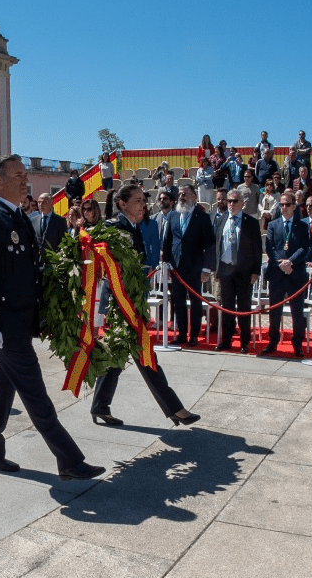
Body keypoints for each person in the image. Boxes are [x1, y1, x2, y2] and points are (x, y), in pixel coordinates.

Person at [0, 155, 103, 480]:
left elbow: (30, 273)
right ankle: (69, 460)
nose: (25, 179)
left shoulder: (21, 219)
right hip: (3, 326)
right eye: (17, 174)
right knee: (36, 394)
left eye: (26, 174)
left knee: (1, 389)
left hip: (19, 323)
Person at [90, 183, 200, 426]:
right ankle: (175, 408)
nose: (143, 205)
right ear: (122, 204)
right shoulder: (112, 228)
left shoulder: (134, 227)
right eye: (138, 200)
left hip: (132, 301)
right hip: (121, 305)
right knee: (145, 356)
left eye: (143, 200)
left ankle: (100, 405)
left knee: (117, 356)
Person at [160, 181, 215, 345]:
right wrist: (167, 263)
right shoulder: (173, 215)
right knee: (178, 301)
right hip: (176, 267)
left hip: (195, 267)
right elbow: (167, 241)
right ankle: (182, 334)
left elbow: (210, 245)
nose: (181, 197)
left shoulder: (203, 218)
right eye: (180, 194)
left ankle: (194, 336)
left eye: (184, 194)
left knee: (195, 302)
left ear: (194, 197)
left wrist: (206, 268)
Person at [261, 190, 311, 357]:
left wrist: (291, 262)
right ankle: (273, 341)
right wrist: (281, 263)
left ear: (294, 206)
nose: (284, 208)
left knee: (297, 311)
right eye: (281, 205)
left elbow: (304, 247)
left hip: (296, 274)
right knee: (275, 311)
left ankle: (297, 343)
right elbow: (270, 248)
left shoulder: (302, 226)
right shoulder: (274, 225)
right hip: (277, 274)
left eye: (287, 205)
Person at [213, 189, 261, 353]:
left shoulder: (251, 222)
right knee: (227, 308)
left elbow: (257, 249)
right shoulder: (222, 219)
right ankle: (226, 340)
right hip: (225, 270)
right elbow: (218, 245)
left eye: (234, 201)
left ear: (242, 203)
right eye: (229, 201)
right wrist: (217, 269)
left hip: (243, 272)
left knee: (243, 308)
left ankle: (244, 342)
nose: (231, 204)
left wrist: (256, 271)